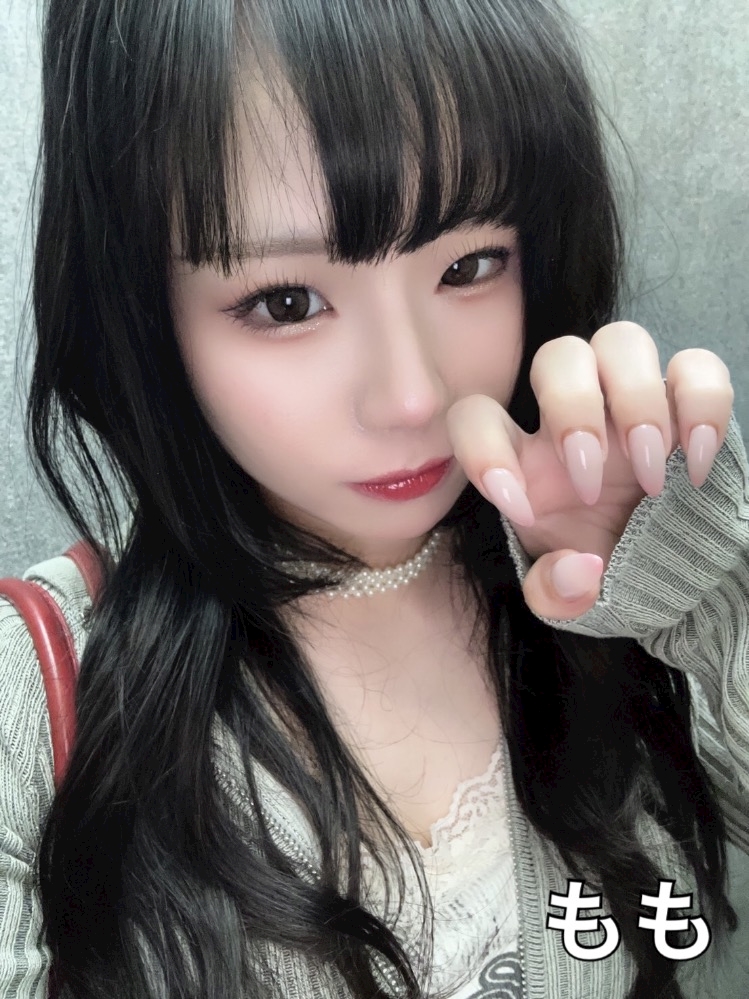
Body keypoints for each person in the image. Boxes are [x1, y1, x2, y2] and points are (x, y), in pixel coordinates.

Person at [0, 0, 747, 997]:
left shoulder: (596, 575)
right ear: (143, 311)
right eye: (286, 303)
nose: (412, 398)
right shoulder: (36, 695)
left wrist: (689, 593)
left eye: (468, 265)